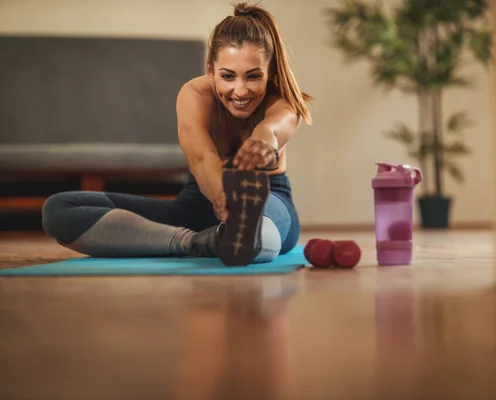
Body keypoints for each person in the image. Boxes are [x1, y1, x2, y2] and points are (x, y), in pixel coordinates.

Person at [41, 2, 313, 266]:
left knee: (254, 229)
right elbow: (201, 159)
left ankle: (233, 236)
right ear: (210, 70)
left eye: (253, 76)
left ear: (270, 72)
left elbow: (275, 127)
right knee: (60, 208)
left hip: (268, 206)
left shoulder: (283, 101)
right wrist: (223, 201)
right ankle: (195, 242)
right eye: (228, 76)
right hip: (196, 205)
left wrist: (263, 141)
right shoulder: (194, 94)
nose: (240, 91)